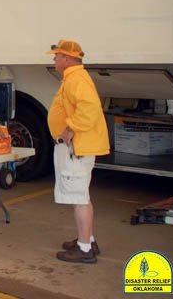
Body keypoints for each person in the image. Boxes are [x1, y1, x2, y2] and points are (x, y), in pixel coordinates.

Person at [47, 40, 109, 264]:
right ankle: (87, 240)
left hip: (77, 148)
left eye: (56, 56)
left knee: (79, 197)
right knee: (79, 195)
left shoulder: (76, 79)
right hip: (77, 148)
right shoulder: (73, 78)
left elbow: (89, 109)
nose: (54, 60)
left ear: (67, 58)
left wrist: (70, 128)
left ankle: (84, 249)